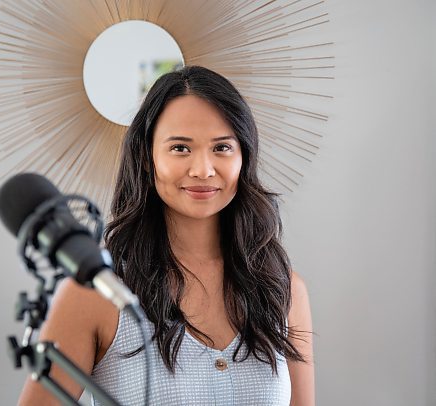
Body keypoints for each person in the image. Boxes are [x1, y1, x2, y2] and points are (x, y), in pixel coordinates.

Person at [18, 65, 314, 405]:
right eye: (180, 149)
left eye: (221, 148)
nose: (203, 170)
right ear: (147, 157)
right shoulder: (96, 293)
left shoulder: (285, 290)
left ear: (243, 156)